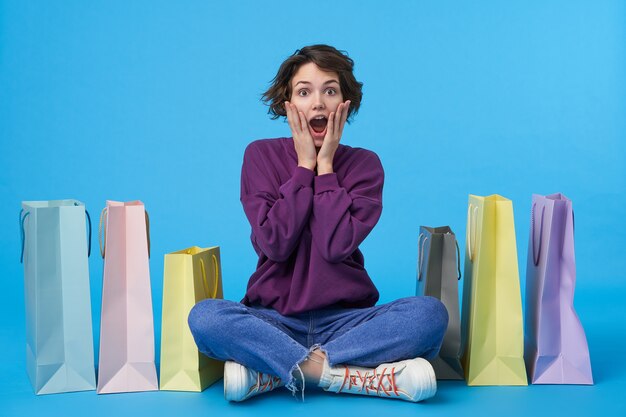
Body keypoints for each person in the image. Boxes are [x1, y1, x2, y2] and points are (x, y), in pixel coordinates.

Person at [188, 44, 448, 403]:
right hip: (273, 321)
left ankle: (276, 372)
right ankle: (348, 376)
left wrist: (325, 169)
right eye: (304, 91)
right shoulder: (260, 155)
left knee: (429, 315)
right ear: (287, 104)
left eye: (330, 90)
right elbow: (275, 244)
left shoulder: (364, 165)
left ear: (347, 103)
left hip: (347, 322)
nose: (318, 103)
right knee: (206, 317)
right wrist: (302, 166)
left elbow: (335, 245)